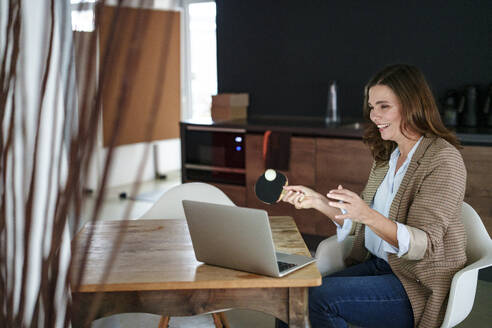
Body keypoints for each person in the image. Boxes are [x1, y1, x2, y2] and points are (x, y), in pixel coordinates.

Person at [281, 64, 467, 328]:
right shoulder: (387, 158)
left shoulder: (443, 160)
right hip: (381, 267)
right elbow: (360, 223)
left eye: (384, 106)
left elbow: (423, 245)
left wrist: (367, 214)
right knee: (292, 295)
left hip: (416, 283)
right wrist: (318, 202)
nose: (374, 115)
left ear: (412, 105)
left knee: (320, 300)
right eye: (371, 107)